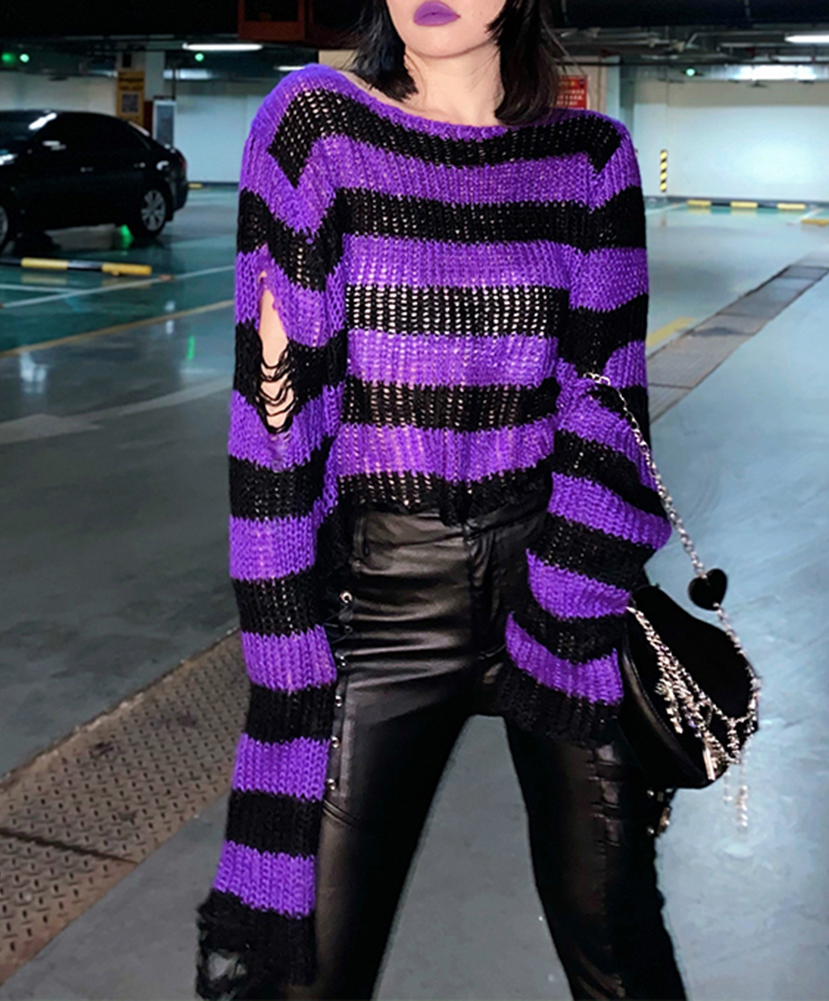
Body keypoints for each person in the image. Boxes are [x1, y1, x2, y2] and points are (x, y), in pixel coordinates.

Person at [195, 0, 686, 997]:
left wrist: (565, 599)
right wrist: (285, 645)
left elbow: (608, 401)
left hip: (555, 582)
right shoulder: (316, 125)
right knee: (301, 969)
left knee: (619, 948)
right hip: (377, 601)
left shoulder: (589, 157)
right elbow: (274, 414)